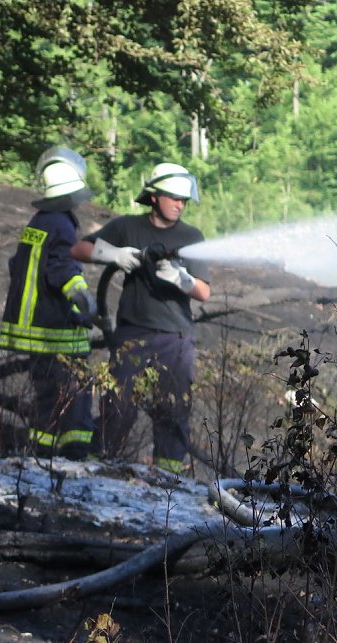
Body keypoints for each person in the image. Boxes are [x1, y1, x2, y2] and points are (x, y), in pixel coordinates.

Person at [71, 162, 211, 474]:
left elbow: (203, 292)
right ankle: (98, 470)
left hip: (176, 337)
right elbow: (78, 249)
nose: (179, 204)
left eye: (184, 200)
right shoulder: (127, 228)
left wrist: (180, 278)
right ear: (154, 196)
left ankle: (168, 481)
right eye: (174, 197)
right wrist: (113, 255)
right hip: (132, 332)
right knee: (117, 406)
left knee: (174, 410)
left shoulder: (192, 236)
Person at [0, 146, 98, 460]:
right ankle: (76, 452)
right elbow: (62, 268)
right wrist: (83, 298)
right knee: (77, 389)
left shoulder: (38, 221)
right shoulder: (61, 225)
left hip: (33, 330)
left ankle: (41, 452)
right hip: (56, 329)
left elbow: (18, 266)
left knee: (46, 398)